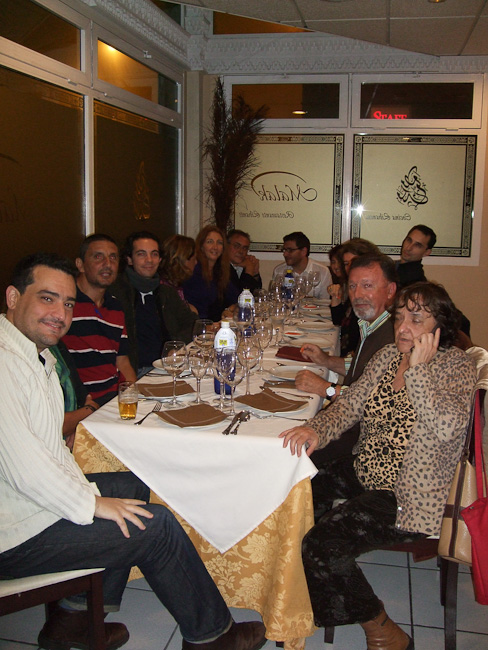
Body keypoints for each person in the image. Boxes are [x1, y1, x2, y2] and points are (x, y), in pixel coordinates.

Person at [0, 252, 266, 650]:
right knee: (154, 527)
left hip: (23, 503)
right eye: (47, 298)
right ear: (13, 297)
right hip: (14, 531)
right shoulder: (4, 365)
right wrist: (92, 503)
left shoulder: (34, 355)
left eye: (68, 303)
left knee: (136, 488)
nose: (60, 313)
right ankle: (213, 636)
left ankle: (73, 619)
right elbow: (26, 470)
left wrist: (93, 495)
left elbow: (42, 450)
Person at [279, 282, 476, 650]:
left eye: (416, 320)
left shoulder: (456, 366)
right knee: (298, 488)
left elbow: (448, 427)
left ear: (439, 327)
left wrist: (418, 371)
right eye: (399, 318)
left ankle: (382, 627)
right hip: (366, 469)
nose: (403, 328)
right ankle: (315, 580)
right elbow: (350, 404)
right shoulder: (387, 356)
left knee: (324, 543)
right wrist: (317, 429)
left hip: (410, 495)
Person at [296, 254, 397, 462]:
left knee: (288, 448)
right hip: (347, 425)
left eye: (367, 286)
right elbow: (362, 368)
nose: (357, 294)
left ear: (390, 290)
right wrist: (326, 361)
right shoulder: (372, 325)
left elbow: (370, 402)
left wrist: (325, 388)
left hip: (363, 441)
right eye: (352, 286)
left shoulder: (395, 338)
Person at [62, 234, 136, 406]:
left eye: (113, 258)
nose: (107, 264)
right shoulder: (65, 302)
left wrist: (133, 396)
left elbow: (122, 361)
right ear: (80, 264)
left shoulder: (115, 306)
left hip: (113, 399)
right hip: (81, 404)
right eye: (98, 257)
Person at [112, 231, 198, 375]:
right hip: (134, 372)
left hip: (165, 368)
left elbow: (192, 324)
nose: (149, 260)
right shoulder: (117, 293)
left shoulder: (165, 293)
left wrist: (175, 345)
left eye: (154, 254)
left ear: (160, 259)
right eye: (141, 254)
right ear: (129, 259)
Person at [328, 238, 381, 357]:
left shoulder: (373, 296)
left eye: (355, 262)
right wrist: (335, 297)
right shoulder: (351, 287)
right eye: (346, 264)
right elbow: (339, 320)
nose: (350, 268)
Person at [183, 225, 240, 321]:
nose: (215, 247)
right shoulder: (195, 270)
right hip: (198, 325)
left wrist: (228, 309)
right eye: (210, 242)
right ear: (201, 246)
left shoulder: (220, 270)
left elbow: (238, 299)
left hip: (214, 324)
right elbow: (197, 310)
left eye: (219, 243)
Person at [272, 231, 331, 303]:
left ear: (303, 251)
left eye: (290, 250)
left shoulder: (323, 271)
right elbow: (276, 299)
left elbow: (325, 302)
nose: (285, 254)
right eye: (284, 250)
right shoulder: (279, 271)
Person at [160, 234, 198, 313]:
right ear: (184, 260)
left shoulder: (175, 284)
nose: (196, 262)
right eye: (194, 259)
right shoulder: (164, 290)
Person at [396, 224, 436, 288]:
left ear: (427, 252)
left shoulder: (416, 283)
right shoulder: (392, 266)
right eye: (409, 240)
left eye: (417, 245)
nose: (408, 248)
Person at [227, 228, 262, 293]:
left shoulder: (245, 263)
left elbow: (257, 293)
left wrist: (255, 272)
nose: (241, 251)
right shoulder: (219, 267)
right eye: (237, 246)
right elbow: (239, 295)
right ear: (226, 246)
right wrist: (249, 270)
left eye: (244, 248)